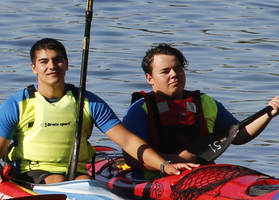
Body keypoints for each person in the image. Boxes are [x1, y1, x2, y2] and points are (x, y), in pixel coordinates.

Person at [0, 38, 197, 186]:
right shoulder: (17, 104)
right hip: (32, 175)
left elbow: (128, 142)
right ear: (34, 68)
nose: (51, 66)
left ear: (66, 64)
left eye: (58, 60)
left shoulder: (88, 102)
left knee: (86, 183)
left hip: (76, 175)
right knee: (57, 180)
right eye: (44, 62)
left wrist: (163, 164)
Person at [119, 43, 279, 165]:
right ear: (149, 79)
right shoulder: (140, 110)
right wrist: (174, 161)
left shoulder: (205, 102)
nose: (174, 74)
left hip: (200, 174)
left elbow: (238, 136)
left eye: (178, 69)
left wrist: (269, 113)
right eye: (165, 71)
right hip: (156, 177)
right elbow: (133, 158)